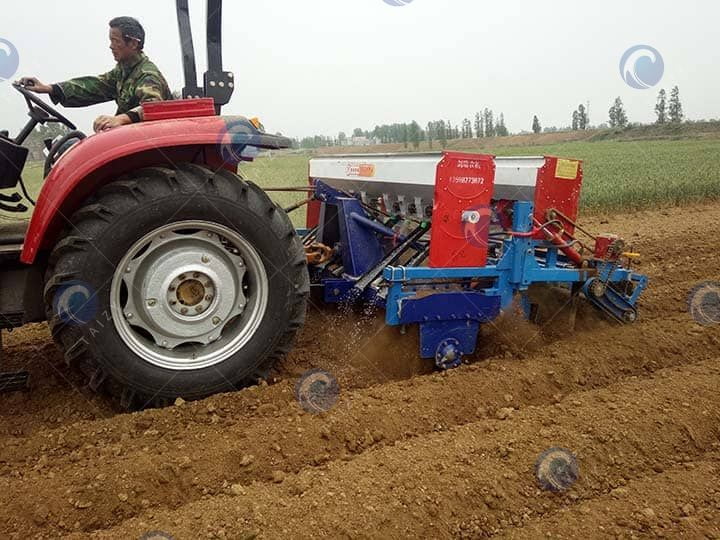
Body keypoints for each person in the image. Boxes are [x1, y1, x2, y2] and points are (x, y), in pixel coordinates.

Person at [17, 17, 172, 133]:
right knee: (67, 146)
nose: (111, 46)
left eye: (115, 40)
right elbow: (93, 86)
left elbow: (153, 108)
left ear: (133, 43)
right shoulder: (123, 72)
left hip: (148, 139)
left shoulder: (147, 75)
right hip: (132, 135)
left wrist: (120, 119)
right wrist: (49, 88)